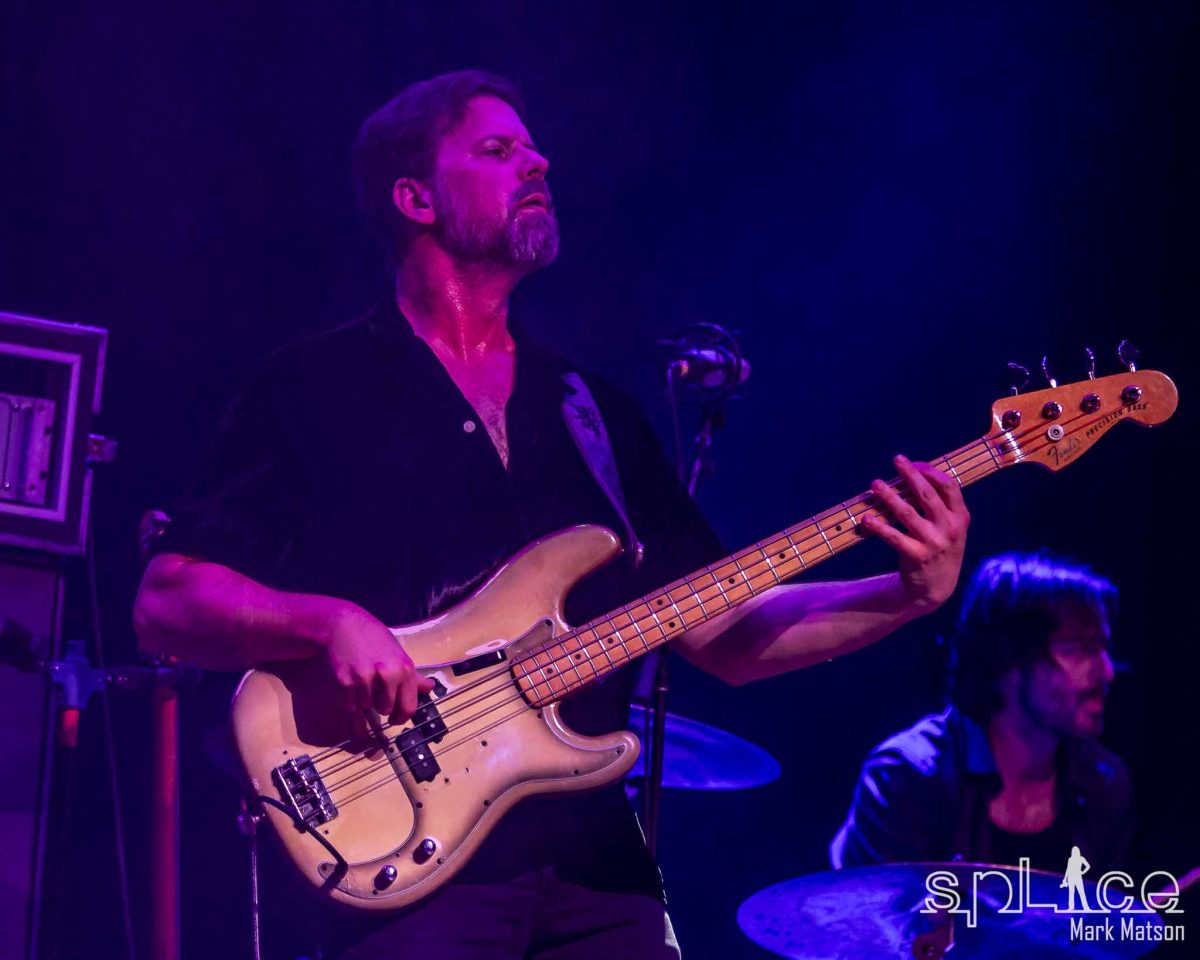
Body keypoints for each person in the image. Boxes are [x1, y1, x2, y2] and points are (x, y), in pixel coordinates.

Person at [134, 69, 970, 959]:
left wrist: (907, 594)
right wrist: (327, 622)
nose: (537, 163)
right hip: (405, 856)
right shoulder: (312, 388)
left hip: (598, 868)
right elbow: (167, 601)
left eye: (533, 149)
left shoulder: (594, 412)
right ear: (415, 198)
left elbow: (722, 632)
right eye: (498, 150)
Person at [830, 551, 1132, 875]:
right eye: (1078, 648)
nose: (1106, 672)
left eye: (1104, 648)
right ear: (1009, 658)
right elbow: (875, 906)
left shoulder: (1103, 781)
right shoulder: (907, 776)